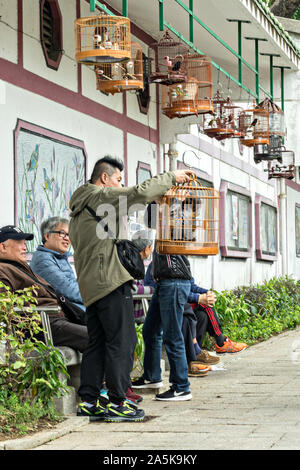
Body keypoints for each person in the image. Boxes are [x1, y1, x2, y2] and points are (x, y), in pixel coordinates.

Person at [69, 155, 194, 422]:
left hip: (92, 285)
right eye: (118, 180)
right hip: (111, 281)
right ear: (104, 179)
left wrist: (153, 199)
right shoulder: (99, 196)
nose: (120, 184)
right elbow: (137, 193)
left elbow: (130, 206)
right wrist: (172, 177)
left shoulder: (82, 206)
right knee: (121, 342)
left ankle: (89, 400)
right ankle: (117, 401)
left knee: (97, 343)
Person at [0, 225, 88, 353]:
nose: (25, 247)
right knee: (96, 338)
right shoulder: (3, 270)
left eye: (25, 243)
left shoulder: (20, 267)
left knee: (108, 330)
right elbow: (5, 308)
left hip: (57, 318)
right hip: (43, 324)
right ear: (2, 247)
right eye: (19, 242)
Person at [145, 261, 248, 356]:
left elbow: (191, 286)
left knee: (202, 316)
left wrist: (206, 292)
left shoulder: (182, 261)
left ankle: (195, 353)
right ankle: (221, 341)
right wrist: (198, 298)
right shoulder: (164, 263)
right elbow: (176, 290)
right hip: (168, 304)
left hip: (181, 302)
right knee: (205, 304)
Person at [30, 217, 85, 311]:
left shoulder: (60, 256)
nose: (67, 238)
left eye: (69, 234)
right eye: (62, 233)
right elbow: (67, 289)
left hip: (74, 309)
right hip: (64, 313)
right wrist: (94, 298)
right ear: (47, 236)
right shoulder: (42, 259)